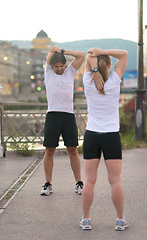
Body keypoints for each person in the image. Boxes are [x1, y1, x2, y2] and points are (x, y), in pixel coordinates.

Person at [79, 48, 128, 231]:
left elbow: (88, 56)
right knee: (115, 180)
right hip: (111, 136)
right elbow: (124, 54)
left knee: (89, 180)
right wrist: (103, 51)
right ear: (109, 65)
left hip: (92, 134)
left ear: (95, 66)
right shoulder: (115, 82)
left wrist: (93, 70)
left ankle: (86, 219)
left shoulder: (88, 81)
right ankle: (120, 220)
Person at [41, 46, 85, 196]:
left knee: (73, 150)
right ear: (52, 66)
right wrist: (54, 51)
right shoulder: (48, 72)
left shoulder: (70, 72)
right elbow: (50, 54)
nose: (59, 69)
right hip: (53, 116)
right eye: (56, 66)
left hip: (68, 116)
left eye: (61, 66)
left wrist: (64, 52)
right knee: (49, 151)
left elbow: (81, 56)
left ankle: (79, 183)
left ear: (65, 65)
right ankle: (48, 184)